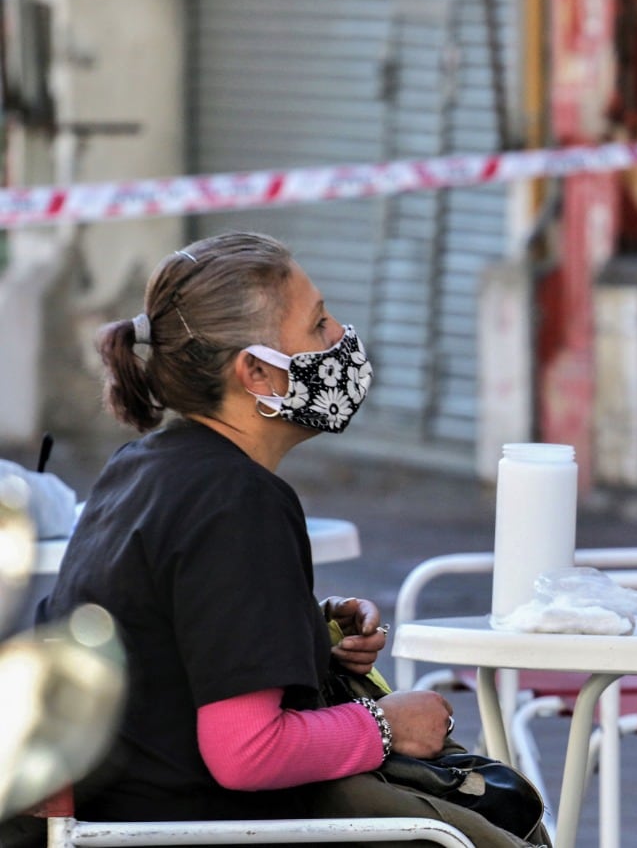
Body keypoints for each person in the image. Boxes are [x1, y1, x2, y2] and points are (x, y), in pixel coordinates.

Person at [35, 232, 549, 847]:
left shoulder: (143, 467)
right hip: (187, 831)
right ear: (256, 372)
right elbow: (246, 751)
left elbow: (167, 648)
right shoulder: (239, 500)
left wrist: (306, 634)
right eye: (319, 323)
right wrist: (386, 725)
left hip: (116, 820)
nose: (341, 340)